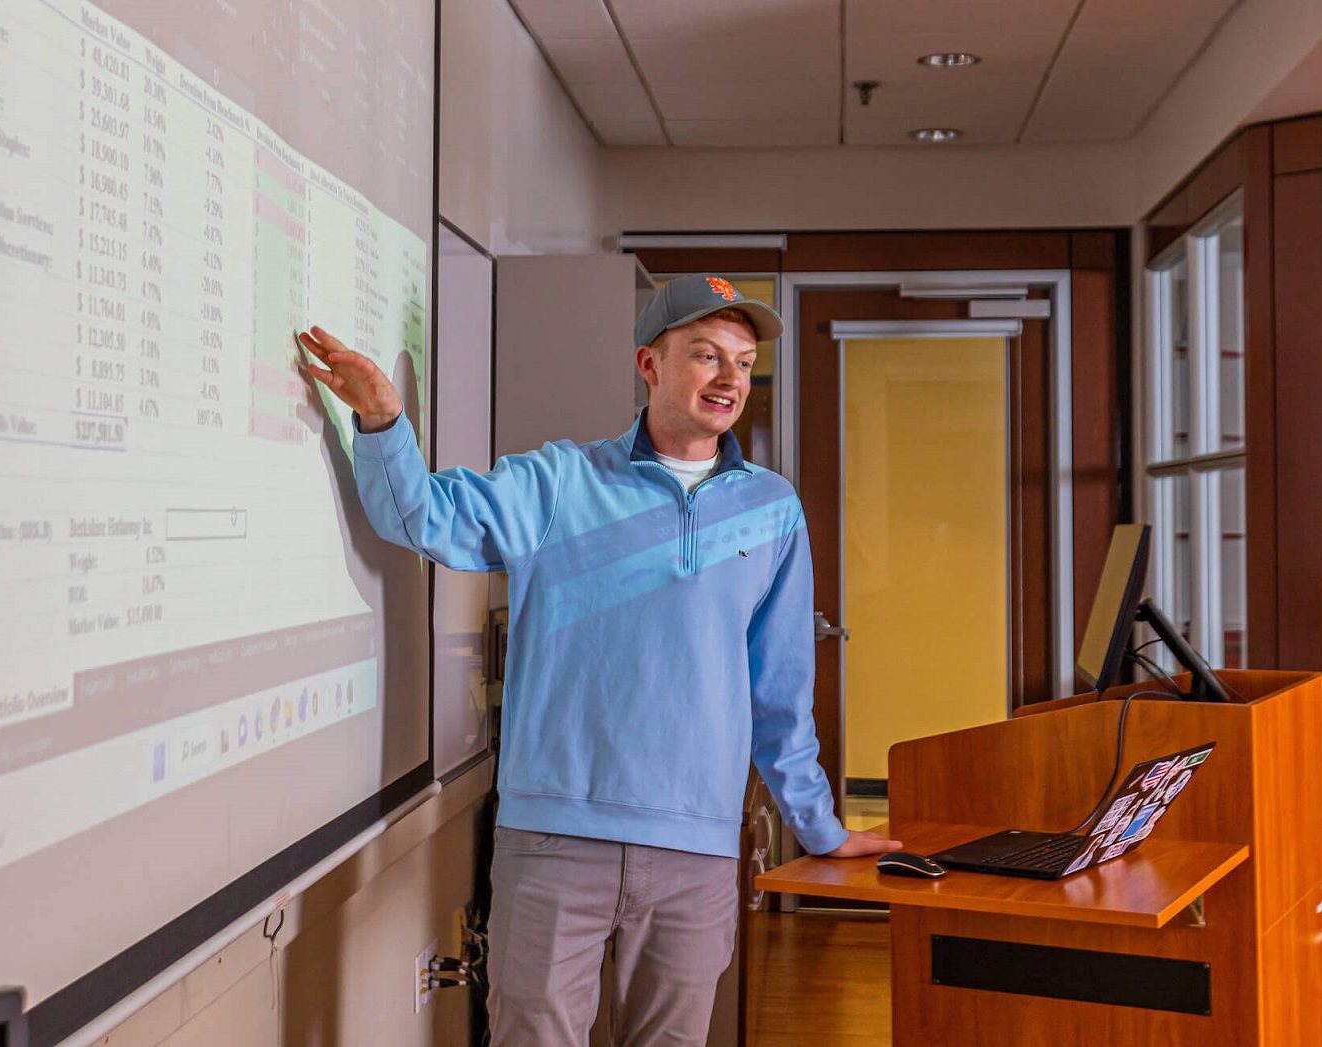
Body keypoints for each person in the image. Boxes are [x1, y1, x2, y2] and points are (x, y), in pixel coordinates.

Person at [299, 273, 899, 1045]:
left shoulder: (771, 508)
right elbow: (424, 516)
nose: (729, 379)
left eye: (743, 363)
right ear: (649, 364)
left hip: (698, 849)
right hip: (554, 840)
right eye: (706, 355)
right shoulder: (558, 481)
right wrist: (383, 421)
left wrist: (817, 825)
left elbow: (779, 692)